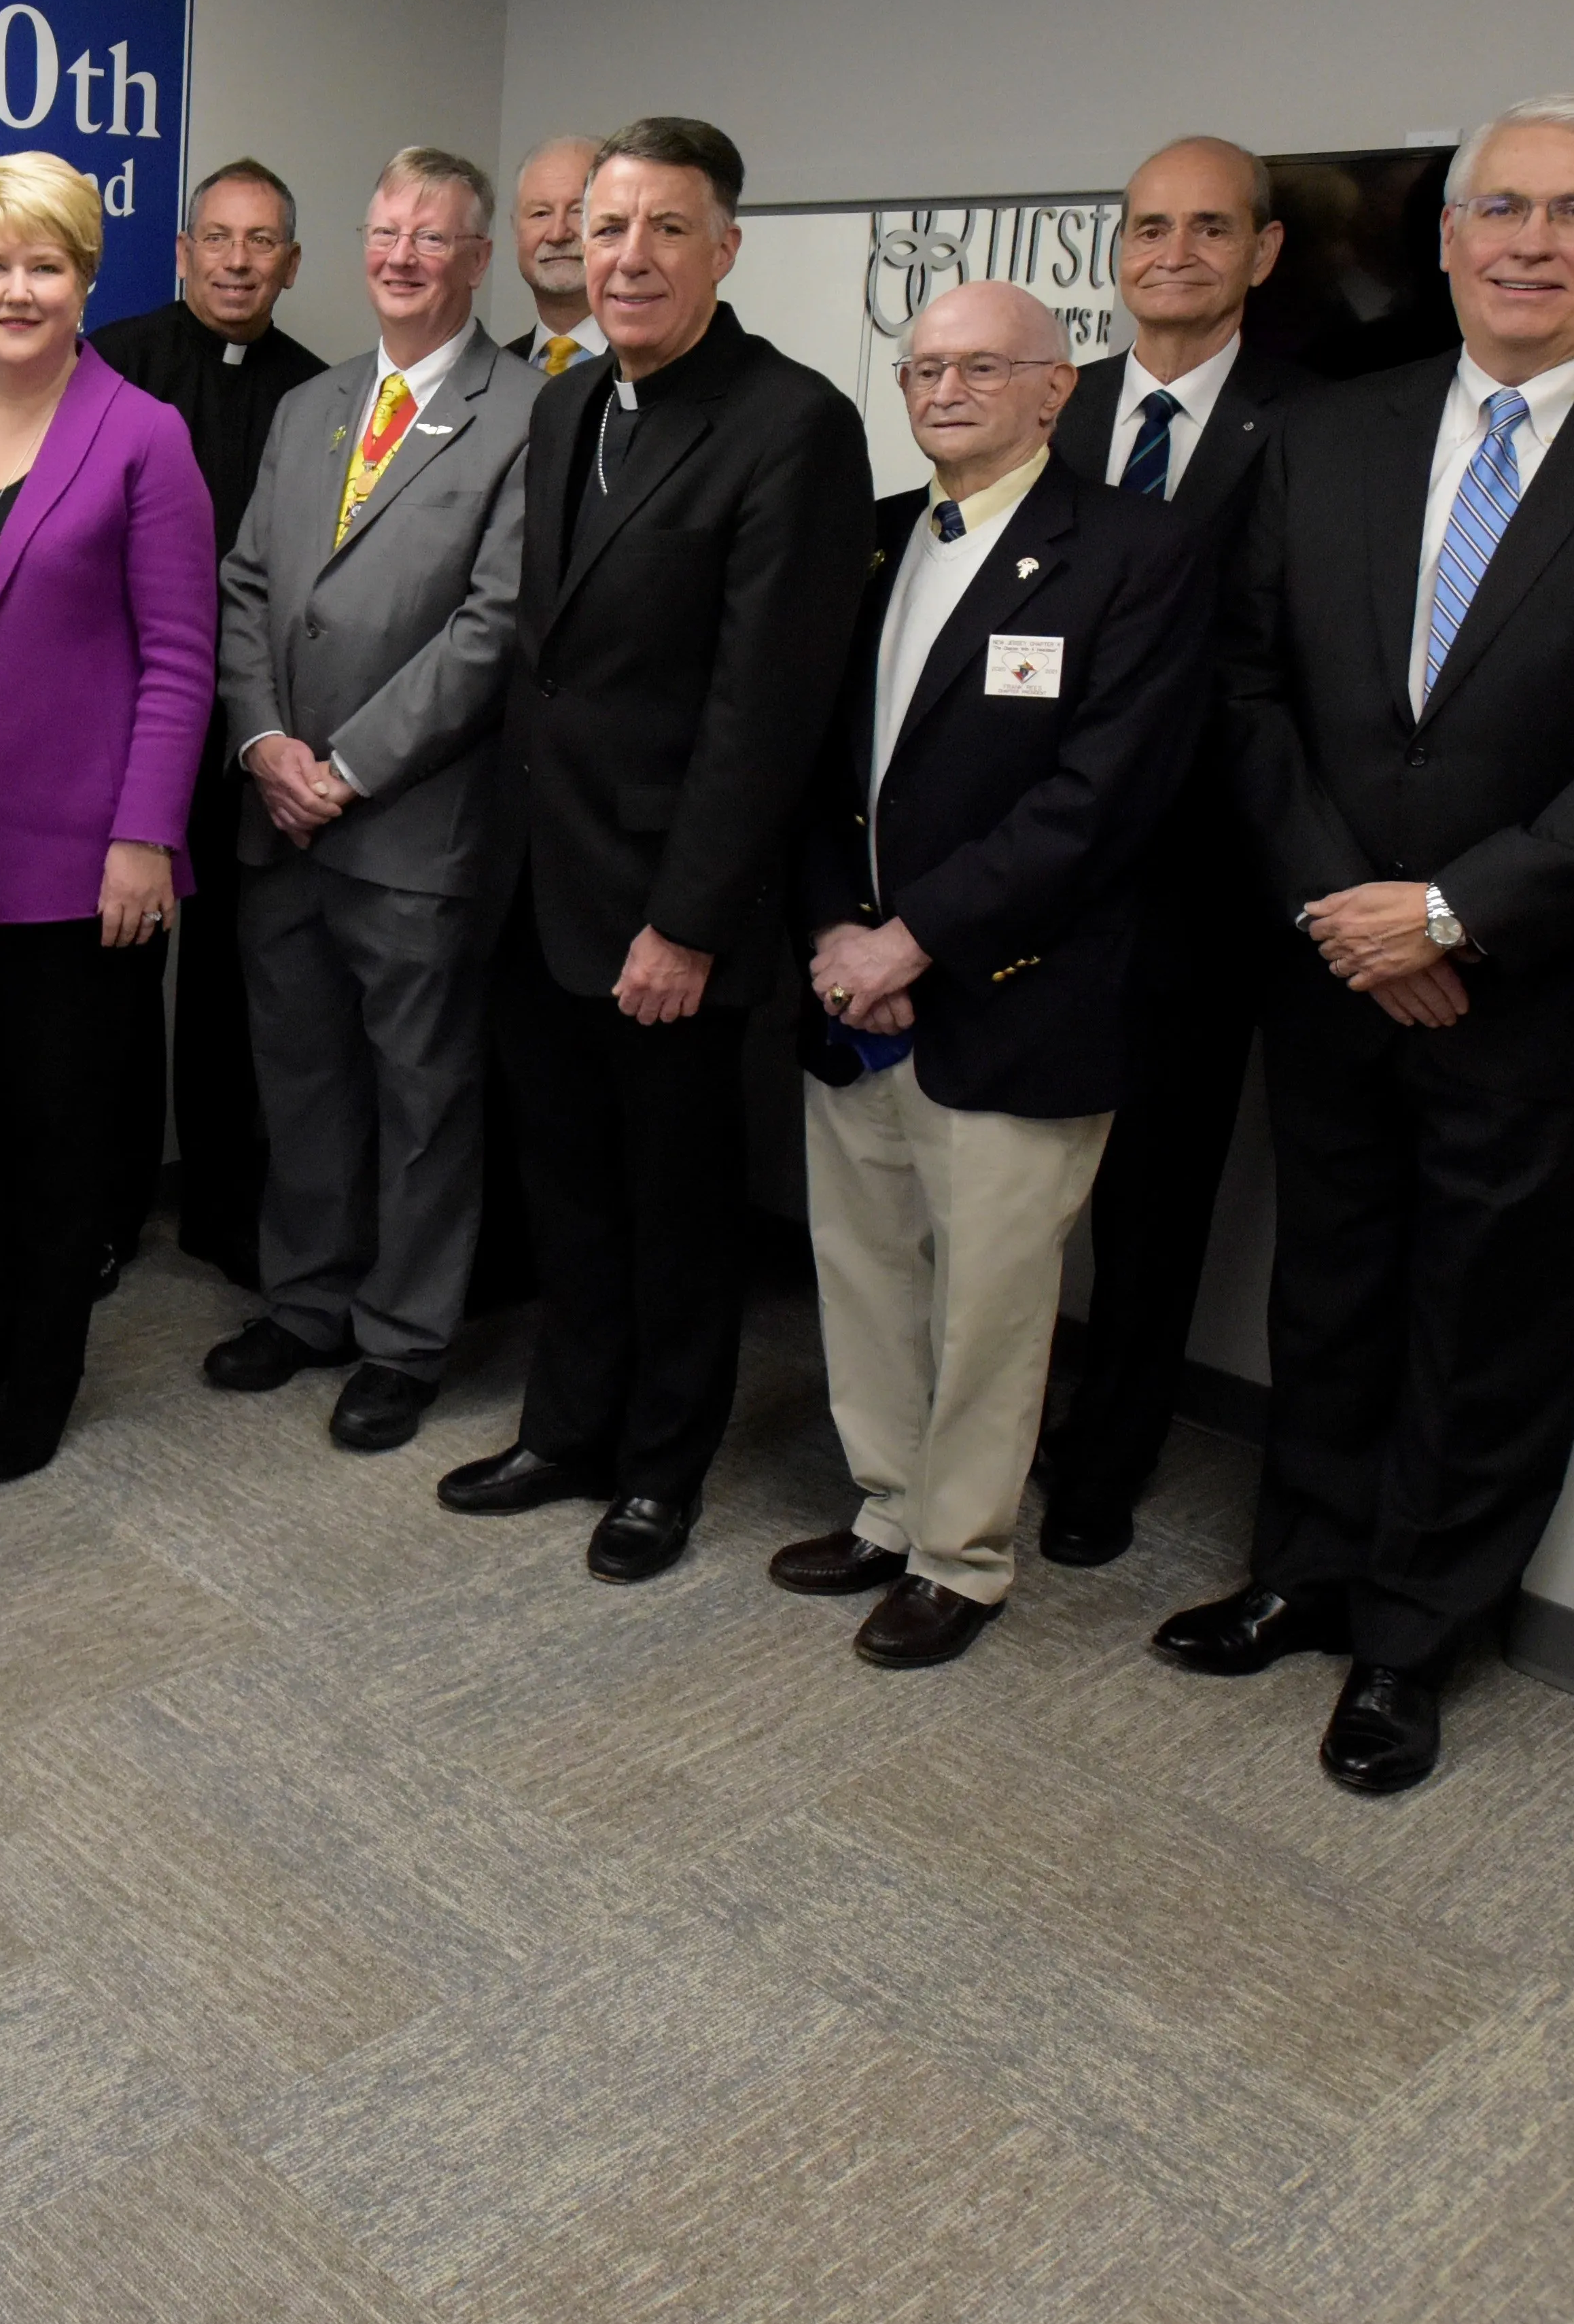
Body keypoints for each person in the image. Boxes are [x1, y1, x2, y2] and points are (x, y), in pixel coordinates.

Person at [1174, 94, 1574, 1795]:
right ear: (1446, 238)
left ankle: (1406, 1641)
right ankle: (1301, 1572)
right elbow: (1247, 694)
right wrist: (1350, 914)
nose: (1528, 241)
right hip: (1332, 973)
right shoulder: (1329, 434)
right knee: (1323, 1291)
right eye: (1500, 210)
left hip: (1549, 998)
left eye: (1570, 213)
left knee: (1490, 1329)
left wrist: (1453, 911)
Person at [440, 117, 875, 1580]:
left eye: (663, 231)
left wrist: (687, 922)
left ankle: (659, 1470)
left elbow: (768, 711)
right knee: (566, 1186)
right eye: (604, 231)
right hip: (540, 885)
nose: (624, 258)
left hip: (667, 913)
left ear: (725, 248)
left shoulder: (792, 424)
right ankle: (569, 1428)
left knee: (679, 1207)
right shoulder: (570, 405)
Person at [775, 284, 1210, 1665]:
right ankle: (887, 1505)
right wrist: (846, 937)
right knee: (865, 1264)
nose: (946, 389)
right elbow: (821, 767)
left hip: (1024, 995)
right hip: (859, 989)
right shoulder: (880, 537)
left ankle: (961, 1555)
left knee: (992, 1299)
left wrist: (921, 938)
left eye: (983, 367)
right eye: (924, 369)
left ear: (1054, 389)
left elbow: (1103, 798)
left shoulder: (1136, 551)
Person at [0, 152, 216, 1485]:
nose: (15, 288)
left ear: (84, 279)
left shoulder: (143, 433)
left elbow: (182, 656)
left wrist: (143, 837)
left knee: (62, 1129)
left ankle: (46, 1371)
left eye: (44, 263)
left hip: (82, 864)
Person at [205, 150, 537, 1453]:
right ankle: (307, 1300)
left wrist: (344, 766)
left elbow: (493, 623)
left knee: (419, 1098)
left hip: (410, 825)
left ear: (477, 257)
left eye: (430, 236)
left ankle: (403, 1337)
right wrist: (265, 744)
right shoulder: (311, 407)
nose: (399, 254)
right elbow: (241, 588)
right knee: (300, 1081)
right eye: (383, 229)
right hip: (275, 812)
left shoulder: (524, 414)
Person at [1028, 137, 1320, 1566]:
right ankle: (988, 1437)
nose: (1177, 252)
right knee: (1014, 1194)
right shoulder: (1049, 402)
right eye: (1151, 226)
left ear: (1263, 253)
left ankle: (1104, 1465)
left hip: (1203, 892)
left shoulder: (1319, 431)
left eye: (1213, 228)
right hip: (1036, 877)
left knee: (1154, 1205)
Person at [92, 158, 329, 1289]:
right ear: (181, 252)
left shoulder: (321, 395)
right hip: (129, 723)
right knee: (115, 970)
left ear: (289, 262)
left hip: (253, 732)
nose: (238, 261)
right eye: (218, 239)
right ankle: (106, 1204)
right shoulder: (111, 366)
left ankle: (226, 1206)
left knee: (244, 976)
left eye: (262, 241)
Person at [502, 137, 607, 376]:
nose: (558, 234)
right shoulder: (498, 370)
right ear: (516, 230)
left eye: (579, 212)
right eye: (540, 214)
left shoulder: (655, 363)